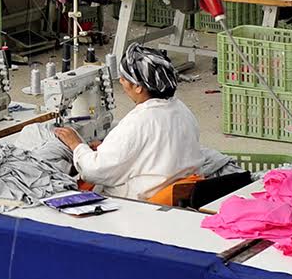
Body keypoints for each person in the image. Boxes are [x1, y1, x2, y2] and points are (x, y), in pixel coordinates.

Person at [53, 44, 205, 203]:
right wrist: (107, 147)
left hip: (144, 201)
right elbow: (153, 149)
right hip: (179, 192)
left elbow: (94, 170)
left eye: (124, 79)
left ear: (138, 87)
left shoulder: (138, 122)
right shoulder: (181, 109)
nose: (121, 82)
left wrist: (76, 145)